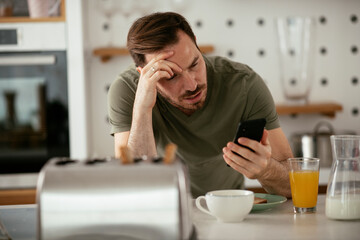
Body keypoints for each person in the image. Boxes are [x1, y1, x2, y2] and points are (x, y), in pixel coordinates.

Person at [107, 12, 293, 198]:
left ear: (196, 43)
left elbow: (293, 185)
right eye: (171, 75)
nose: (192, 85)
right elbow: (132, 187)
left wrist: (266, 169)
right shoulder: (126, 90)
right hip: (165, 208)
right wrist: (142, 109)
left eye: (194, 63)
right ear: (143, 74)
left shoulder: (244, 83)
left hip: (228, 210)